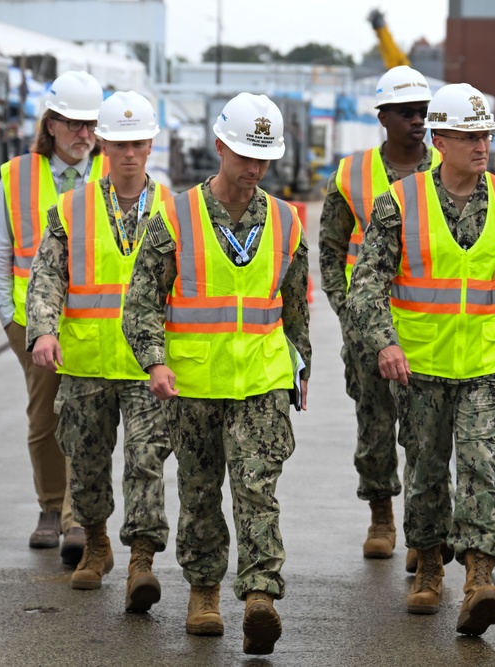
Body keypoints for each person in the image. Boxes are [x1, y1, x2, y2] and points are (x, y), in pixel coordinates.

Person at [347, 83, 495, 637]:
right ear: (440, 140)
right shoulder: (400, 203)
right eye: (469, 136)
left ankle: (480, 577)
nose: (481, 145)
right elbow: (365, 287)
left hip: (489, 367)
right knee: (425, 474)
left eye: (486, 134)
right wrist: (386, 343)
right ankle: (429, 569)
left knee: (483, 469)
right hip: (421, 368)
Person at [124, 92, 310, 655]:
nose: (254, 169)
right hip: (193, 384)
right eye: (245, 156)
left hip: (261, 383)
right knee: (201, 493)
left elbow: (296, 306)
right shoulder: (174, 217)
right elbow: (141, 303)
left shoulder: (285, 220)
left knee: (258, 491)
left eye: (264, 158)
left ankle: (260, 597)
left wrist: (301, 369)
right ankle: (203, 592)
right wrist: (154, 361)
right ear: (220, 145)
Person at [26, 90, 173, 613]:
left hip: (148, 366)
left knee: (146, 463)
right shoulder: (71, 209)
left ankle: (141, 560)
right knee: (86, 465)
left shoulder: (174, 211)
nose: (128, 153)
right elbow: (46, 277)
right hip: (86, 363)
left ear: (151, 144)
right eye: (119, 143)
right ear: (103, 145)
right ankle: (95, 543)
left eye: (138, 143)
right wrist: (43, 330)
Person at [318, 65, 447, 568]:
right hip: (367, 331)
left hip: (426, 326)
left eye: (424, 113)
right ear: (384, 117)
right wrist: (346, 308)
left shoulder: (448, 169)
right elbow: (329, 248)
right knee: (375, 428)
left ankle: (423, 531)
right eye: (408, 113)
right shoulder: (351, 174)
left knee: (425, 435)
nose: (418, 121)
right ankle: (381, 516)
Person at [0, 70, 106, 565]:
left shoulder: (109, 175)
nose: (85, 135)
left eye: (91, 125)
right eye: (74, 124)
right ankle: (50, 509)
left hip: (97, 324)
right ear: (51, 124)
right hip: (32, 327)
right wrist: (7, 318)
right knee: (44, 419)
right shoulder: (17, 175)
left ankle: (77, 518)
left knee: (87, 419)